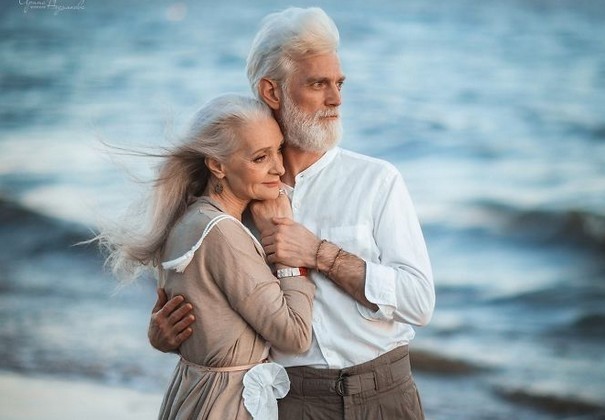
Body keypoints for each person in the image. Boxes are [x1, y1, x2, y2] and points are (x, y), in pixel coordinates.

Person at [150, 7, 436, 419]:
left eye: (338, 83)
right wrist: (162, 335)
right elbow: (191, 297)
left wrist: (320, 254)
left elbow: (419, 303)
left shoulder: (377, 181)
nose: (336, 99)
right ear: (272, 92)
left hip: (384, 393)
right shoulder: (234, 192)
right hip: (287, 400)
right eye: (318, 84)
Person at [99, 94, 316, 420]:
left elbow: (202, 326)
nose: (279, 168)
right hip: (225, 405)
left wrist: (163, 340)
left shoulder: (188, 219)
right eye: (260, 158)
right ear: (217, 165)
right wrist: (288, 250)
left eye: (278, 150)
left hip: (194, 394)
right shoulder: (222, 235)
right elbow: (295, 335)